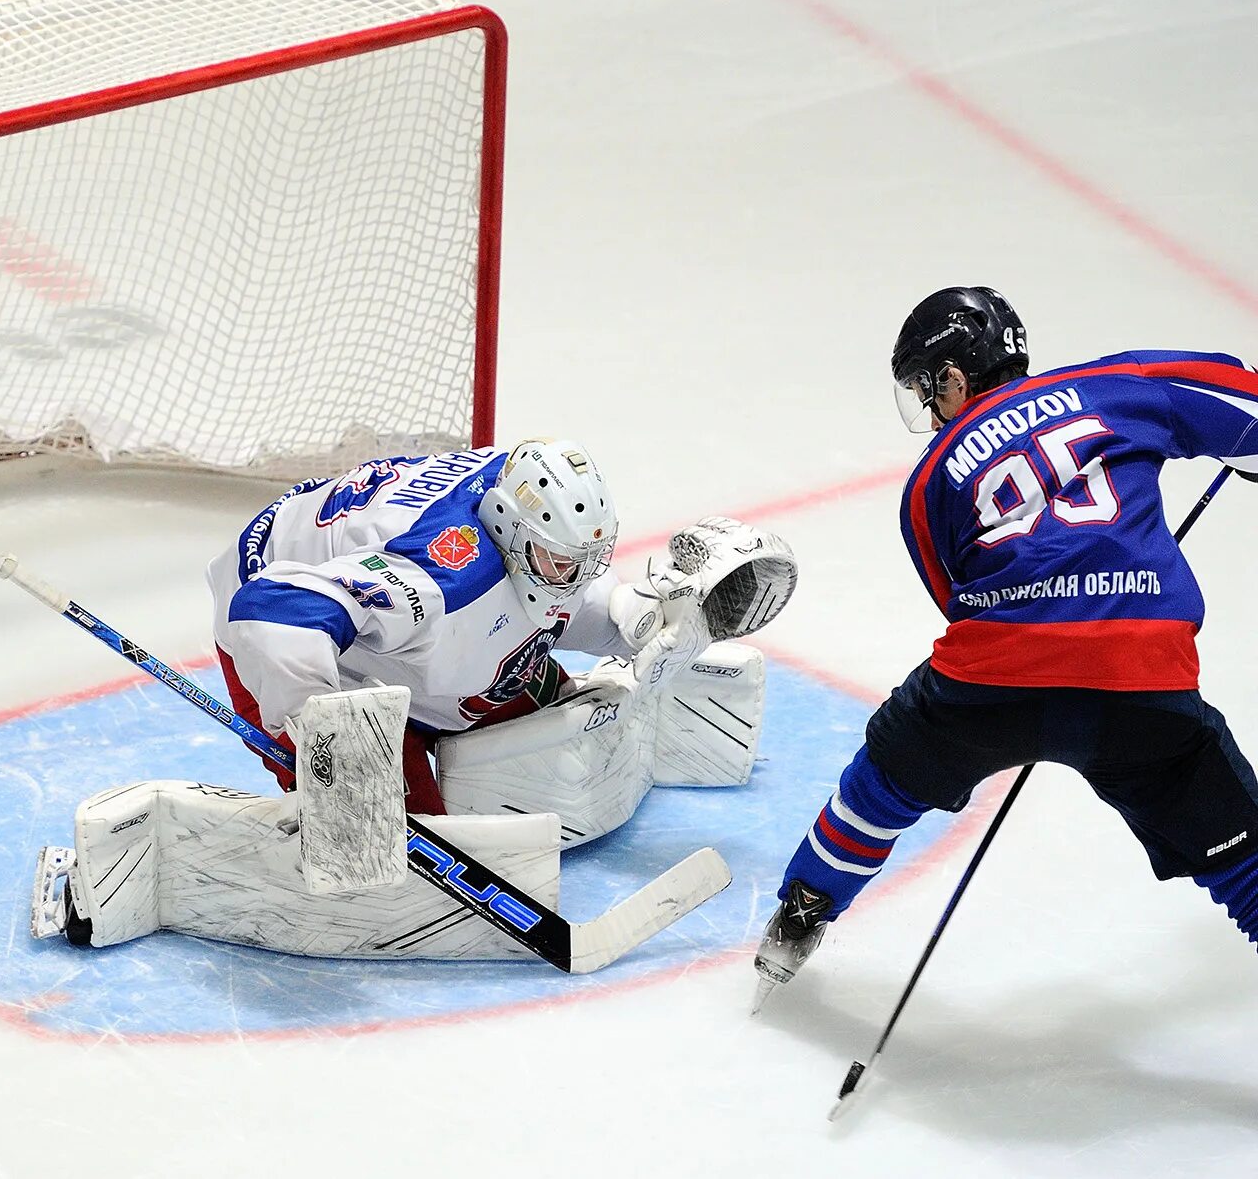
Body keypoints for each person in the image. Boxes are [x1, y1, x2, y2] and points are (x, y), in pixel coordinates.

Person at [754, 287, 1258, 1007]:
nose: (930, 413)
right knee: (1244, 855)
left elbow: (959, 602)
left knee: (883, 780)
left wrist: (959, 755)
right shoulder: (1116, 385)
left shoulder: (929, 480)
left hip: (994, 679)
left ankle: (801, 911)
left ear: (956, 378)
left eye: (928, 391)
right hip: (1140, 674)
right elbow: (1244, 398)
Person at [208, 439, 793, 827]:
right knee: (391, 833)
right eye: (566, 566)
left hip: (390, 610)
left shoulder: (530, 502)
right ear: (510, 532)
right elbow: (272, 610)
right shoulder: (439, 580)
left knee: (542, 740)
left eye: (592, 560)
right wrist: (331, 732)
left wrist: (624, 609)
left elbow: (558, 585)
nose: (577, 580)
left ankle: (420, 710)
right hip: (280, 629)